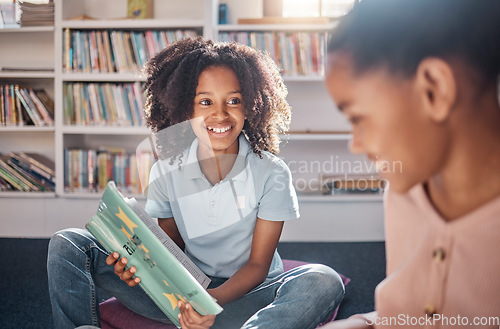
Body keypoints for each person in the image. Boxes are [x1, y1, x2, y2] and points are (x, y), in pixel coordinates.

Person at [47, 37, 345, 329]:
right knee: (69, 242)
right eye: (205, 102)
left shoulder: (271, 172)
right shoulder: (165, 170)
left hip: (250, 295)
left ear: (251, 106)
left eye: (234, 100)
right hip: (182, 297)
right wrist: (140, 270)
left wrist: (210, 301)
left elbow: (257, 267)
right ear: (184, 109)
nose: (220, 113)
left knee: (323, 279)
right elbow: (171, 252)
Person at [322, 0, 500, 328]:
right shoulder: (404, 190)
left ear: (434, 89)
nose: (355, 144)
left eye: (357, 118)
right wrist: (363, 323)